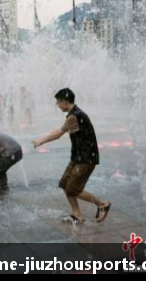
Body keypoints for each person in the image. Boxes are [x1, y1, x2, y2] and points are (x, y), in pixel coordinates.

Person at [32, 88, 111, 224]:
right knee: (64, 184)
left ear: (64, 101)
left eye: (58, 102)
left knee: (73, 189)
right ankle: (77, 214)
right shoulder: (74, 114)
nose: (57, 105)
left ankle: (102, 204)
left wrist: (41, 141)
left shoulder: (74, 116)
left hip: (85, 159)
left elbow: (58, 133)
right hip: (78, 157)